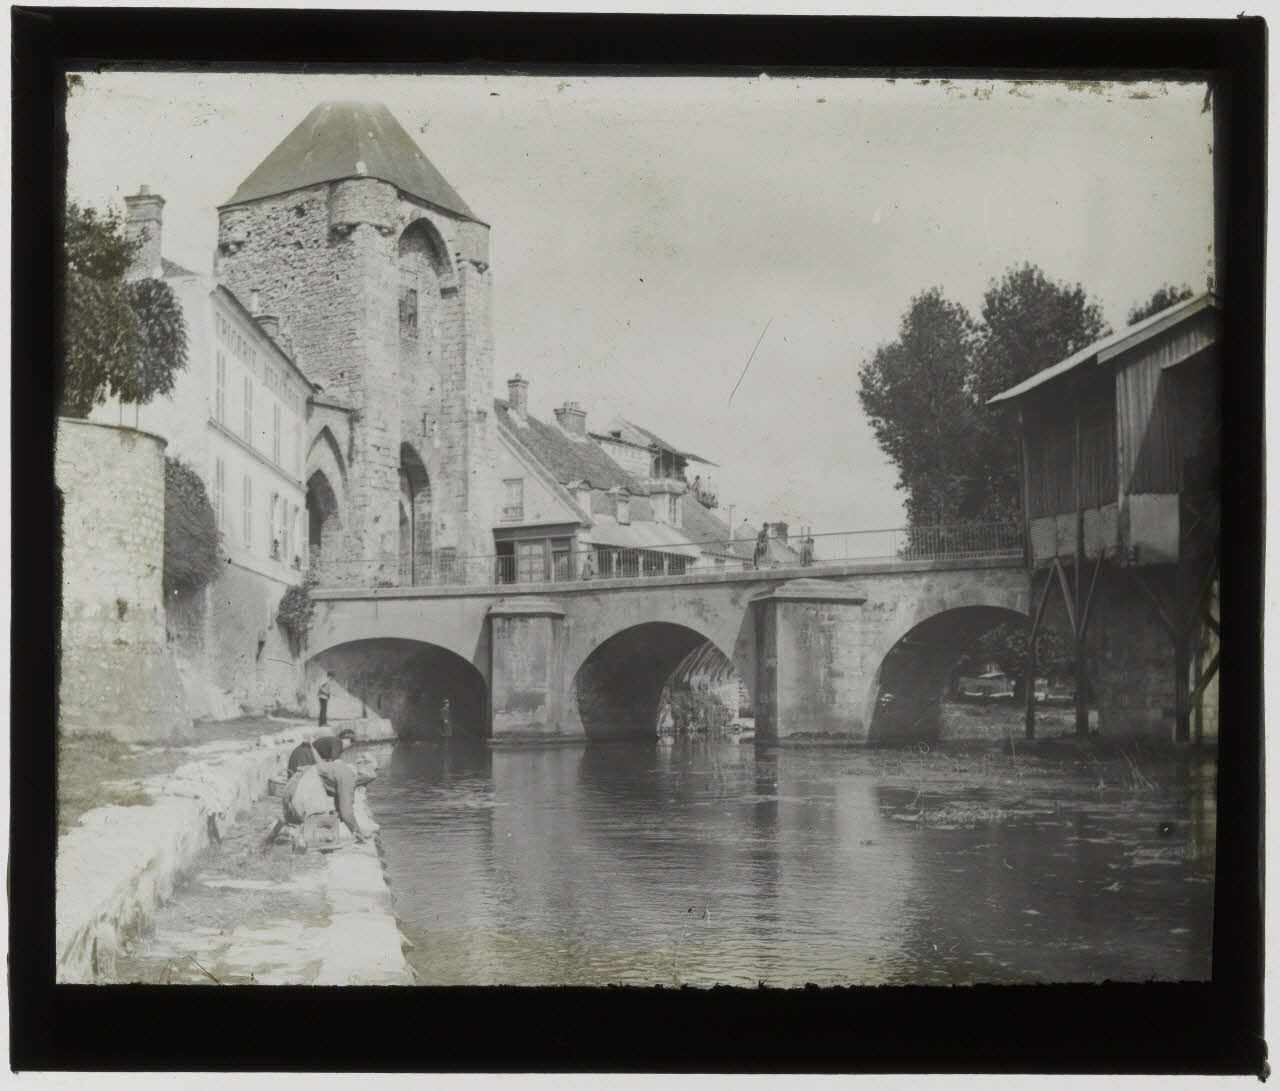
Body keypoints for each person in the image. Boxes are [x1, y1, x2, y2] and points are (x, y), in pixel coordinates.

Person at [287, 726, 356, 774]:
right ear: (347, 740)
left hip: (303, 753)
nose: (347, 748)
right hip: (304, 755)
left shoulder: (334, 742)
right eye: (350, 745)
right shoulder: (338, 742)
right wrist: (348, 768)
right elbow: (335, 761)